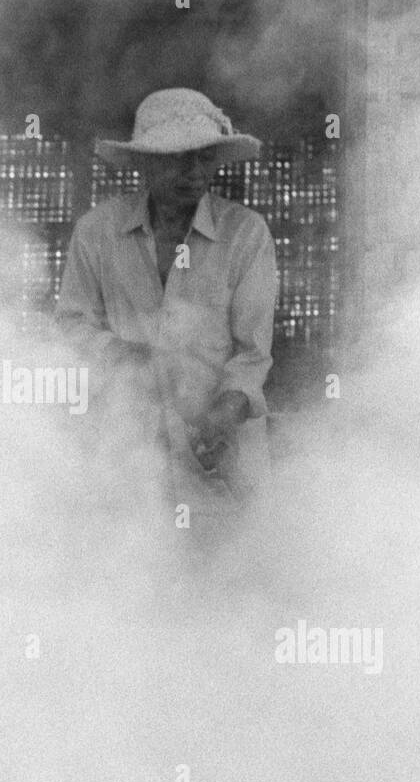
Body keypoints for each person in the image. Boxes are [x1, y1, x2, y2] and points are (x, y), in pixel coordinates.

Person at [55, 88, 278, 535]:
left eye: (204, 158)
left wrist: (225, 413)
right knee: (131, 586)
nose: (194, 173)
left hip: (221, 467)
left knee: (231, 592)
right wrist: (126, 353)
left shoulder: (246, 235)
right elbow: (71, 328)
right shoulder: (96, 233)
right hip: (126, 458)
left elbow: (253, 355)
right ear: (143, 163)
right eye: (177, 158)